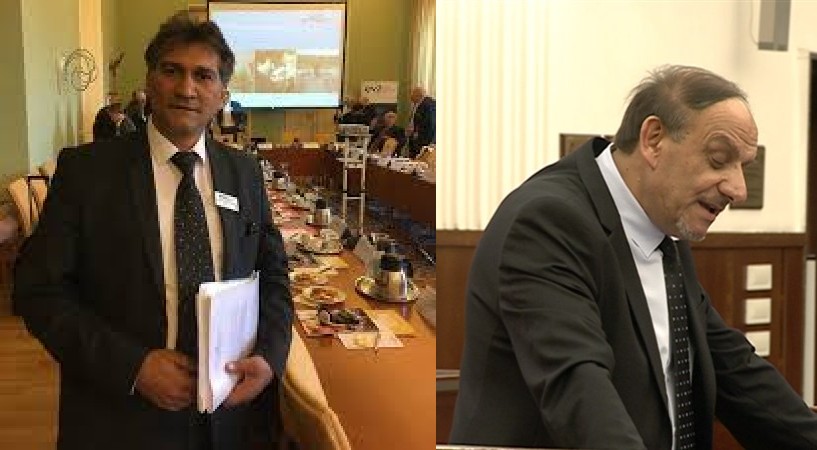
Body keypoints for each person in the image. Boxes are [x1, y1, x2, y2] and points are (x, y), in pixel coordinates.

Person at [449, 65, 817, 450]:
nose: (738, 189)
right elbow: (580, 390)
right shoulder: (548, 222)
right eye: (718, 159)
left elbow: (732, 368)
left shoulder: (664, 222)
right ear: (654, 140)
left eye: (744, 166)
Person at [13, 12, 292, 450]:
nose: (186, 89)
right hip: (119, 417)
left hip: (228, 414)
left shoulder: (245, 174)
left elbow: (274, 275)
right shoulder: (87, 173)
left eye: (203, 76)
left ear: (222, 95)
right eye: (171, 71)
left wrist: (270, 356)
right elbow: (38, 291)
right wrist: (133, 367)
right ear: (149, 82)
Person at [407, 86, 435, 158]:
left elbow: (431, 124)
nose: (410, 97)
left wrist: (417, 133)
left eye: (411, 95)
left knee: (419, 160)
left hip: (424, 141)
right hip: (418, 139)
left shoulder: (428, 104)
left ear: (418, 95)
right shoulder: (419, 104)